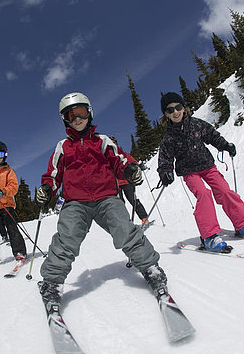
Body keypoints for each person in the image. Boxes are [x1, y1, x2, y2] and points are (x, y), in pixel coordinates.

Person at [35, 92, 168, 312]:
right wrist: (47, 188)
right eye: (71, 115)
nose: (77, 118)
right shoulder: (63, 147)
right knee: (66, 238)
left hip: (107, 197)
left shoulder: (102, 141)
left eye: (81, 112)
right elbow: (53, 173)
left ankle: (150, 268)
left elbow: (120, 159)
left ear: (90, 113)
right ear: (65, 120)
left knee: (125, 230)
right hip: (75, 202)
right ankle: (51, 283)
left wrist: (130, 169)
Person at [157, 92, 244, 253]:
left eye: (178, 107)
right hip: (190, 172)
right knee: (204, 194)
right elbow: (165, 158)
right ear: (166, 115)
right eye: (170, 110)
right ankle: (209, 237)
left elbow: (212, 136)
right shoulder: (169, 138)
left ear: (184, 108)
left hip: (208, 166)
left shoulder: (196, 124)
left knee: (225, 191)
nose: (175, 112)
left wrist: (225, 145)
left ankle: (243, 225)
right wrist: (165, 172)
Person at [108, 135, 150, 227]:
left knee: (133, 200)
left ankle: (144, 218)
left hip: (127, 182)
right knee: (120, 203)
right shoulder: (107, 158)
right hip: (115, 183)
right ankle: (125, 223)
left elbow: (132, 162)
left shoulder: (123, 155)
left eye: (113, 143)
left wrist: (137, 166)